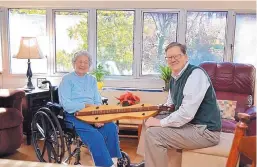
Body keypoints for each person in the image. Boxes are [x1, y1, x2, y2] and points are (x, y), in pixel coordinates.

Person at [132, 42, 221, 167]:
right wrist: (157, 111)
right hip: (190, 125)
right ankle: (148, 162)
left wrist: (159, 122)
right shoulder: (174, 77)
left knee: (154, 134)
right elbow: (170, 104)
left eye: (177, 56)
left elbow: (186, 113)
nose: (173, 60)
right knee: (147, 121)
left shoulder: (195, 75)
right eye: (169, 57)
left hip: (205, 131)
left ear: (186, 56)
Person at [58, 50, 122, 167]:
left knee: (111, 127)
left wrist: (97, 117)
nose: (82, 65)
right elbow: (66, 104)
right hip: (74, 115)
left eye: (86, 62)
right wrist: (85, 106)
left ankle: (114, 162)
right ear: (74, 63)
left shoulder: (91, 79)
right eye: (80, 62)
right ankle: (105, 165)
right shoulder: (67, 79)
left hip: (92, 113)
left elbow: (97, 101)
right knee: (95, 136)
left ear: (89, 65)